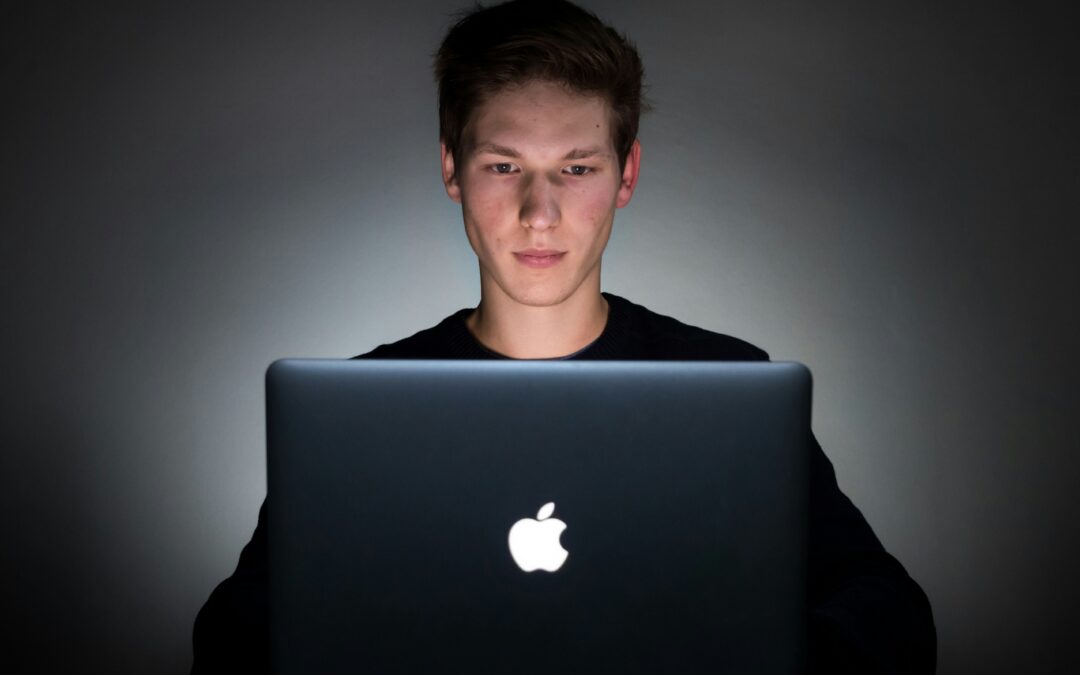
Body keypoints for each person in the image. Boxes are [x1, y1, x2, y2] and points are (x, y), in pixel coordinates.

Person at [192, 1, 936, 672]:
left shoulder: (723, 385)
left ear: (626, 173)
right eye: (504, 165)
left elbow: (892, 615)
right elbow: (232, 638)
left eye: (576, 167)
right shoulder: (356, 415)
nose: (538, 211)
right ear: (452, 166)